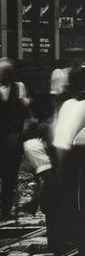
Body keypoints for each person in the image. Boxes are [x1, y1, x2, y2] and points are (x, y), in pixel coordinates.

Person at [0, 59, 32, 219]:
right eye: (3, 72)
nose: (5, 75)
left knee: (10, 175)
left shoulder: (19, 87)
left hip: (13, 139)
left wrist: (19, 134)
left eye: (8, 72)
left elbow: (25, 113)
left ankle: (5, 208)